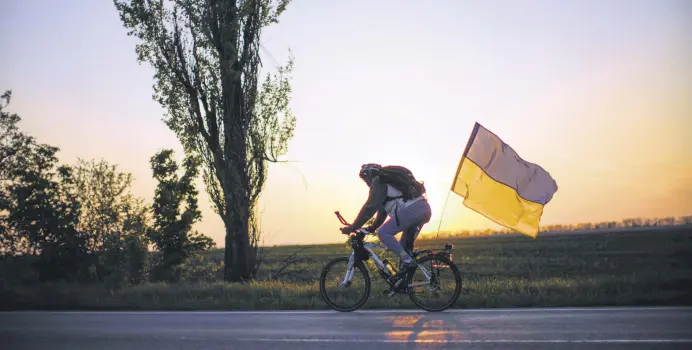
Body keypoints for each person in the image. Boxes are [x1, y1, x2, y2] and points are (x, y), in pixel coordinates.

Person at [340, 163, 432, 272]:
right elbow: (382, 212)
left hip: (411, 211)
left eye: (365, 180)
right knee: (403, 247)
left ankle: (408, 261)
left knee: (383, 233)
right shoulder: (389, 182)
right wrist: (373, 227)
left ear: (369, 175)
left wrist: (354, 226)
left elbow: (370, 207)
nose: (367, 183)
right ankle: (404, 285)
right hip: (423, 209)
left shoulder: (378, 181)